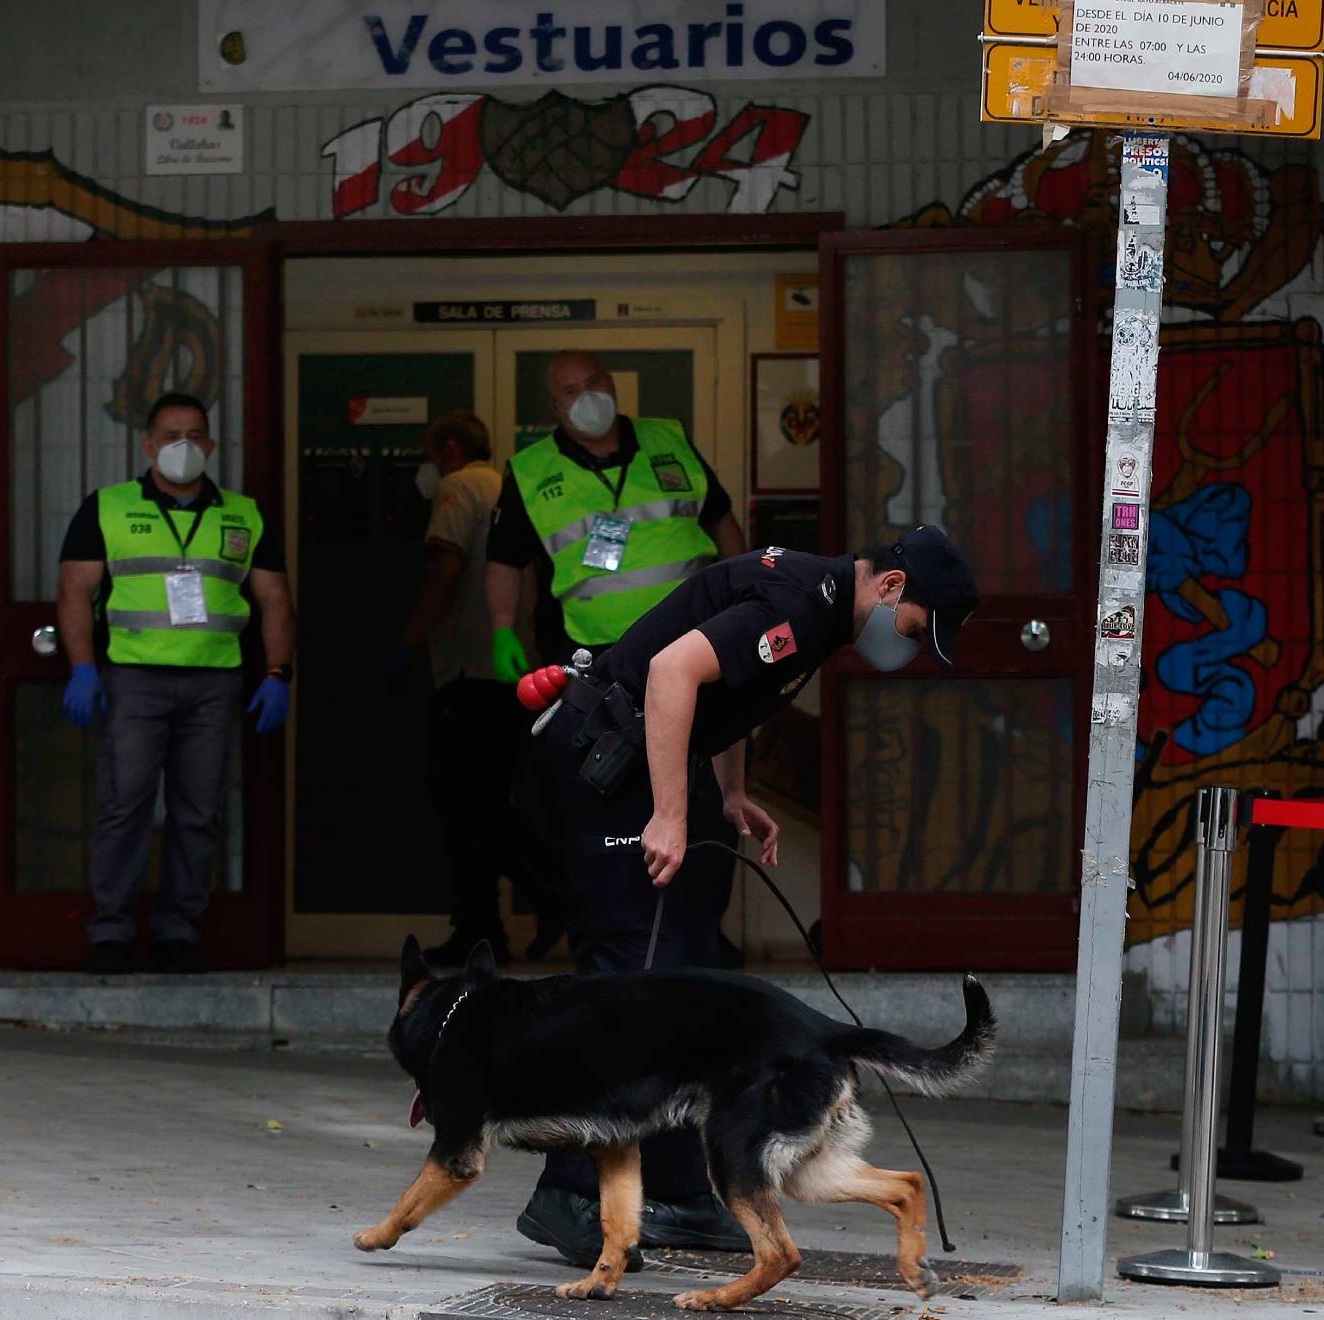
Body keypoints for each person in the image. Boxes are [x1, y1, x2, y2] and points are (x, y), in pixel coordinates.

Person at [514, 527, 979, 1267]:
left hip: (656, 753)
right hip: (609, 756)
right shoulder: (801, 600)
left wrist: (730, 793)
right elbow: (672, 672)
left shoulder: (827, 611)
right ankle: (567, 1193)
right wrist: (668, 814)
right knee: (628, 977)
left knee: (690, 972)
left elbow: (730, 692)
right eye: (919, 630)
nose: (911, 646)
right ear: (891, 589)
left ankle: (678, 1192)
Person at [485, 351, 754, 973]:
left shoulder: (669, 441)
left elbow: (723, 527)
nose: (589, 396)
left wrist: (750, 603)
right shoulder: (531, 471)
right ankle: (615, 957)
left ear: (614, 385)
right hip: (600, 668)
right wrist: (501, 629)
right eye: (572, 390)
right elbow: (504, 559)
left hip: (698, 655)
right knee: (609, 815)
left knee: (706, 803)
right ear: (554, 407)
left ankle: (699, 948)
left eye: (596, 383)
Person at [56, 391, 296, 976]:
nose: (182, 446)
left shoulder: (244, 513)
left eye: (193, 434)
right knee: (126, 808)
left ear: (211, 445)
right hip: (135, 679)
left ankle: (177, 936)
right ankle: (111, 936)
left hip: (214, 684)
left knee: (198, 813)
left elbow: (274, 599)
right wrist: (83, 667)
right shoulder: (107, 507)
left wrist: (278, 673)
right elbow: (74, 592)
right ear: (147, 445)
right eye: (170, 434)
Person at [385, 409, 566, 967]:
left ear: (447, 449)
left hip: (470, 671)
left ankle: (553, 894)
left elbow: (446, 569)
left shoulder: (461, 488)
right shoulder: (510, 486)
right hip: (514, 673)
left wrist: (408, 643)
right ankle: (480, 929)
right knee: (479, 803)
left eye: (429, 452)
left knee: (469, 803)